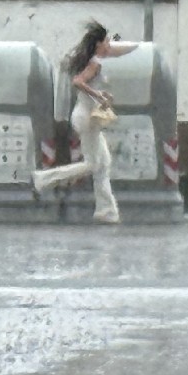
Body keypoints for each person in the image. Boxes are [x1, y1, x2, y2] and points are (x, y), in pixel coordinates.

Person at [33, 22, 142, 224]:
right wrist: (98, 95)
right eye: (106, 41)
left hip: (88, 117)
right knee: (92, 164)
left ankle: (106, 211)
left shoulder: (97, 59)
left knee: (103, 163)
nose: (109, 44)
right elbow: (78, 81)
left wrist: (139, 46)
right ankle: (43, 179)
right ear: (98, 44)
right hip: (87, 119)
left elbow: (119, 51)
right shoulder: (95, 63)